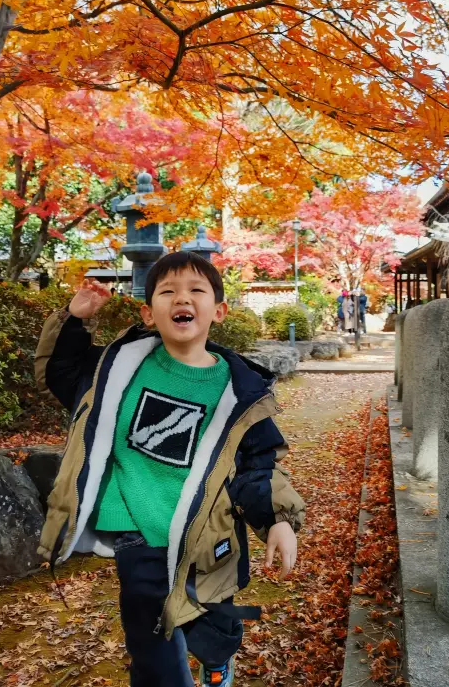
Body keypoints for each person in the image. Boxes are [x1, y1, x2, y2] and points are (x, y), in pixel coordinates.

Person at [35, 252, 305, 687]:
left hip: (206, 531)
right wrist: (73, 319)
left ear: (218, 311)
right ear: (149, 312)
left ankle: (217, 662)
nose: (183, 298)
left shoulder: (239, 393)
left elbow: (259, 466)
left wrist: (278, 519)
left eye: (196, 290)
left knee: (213, 621)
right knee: (154, 638)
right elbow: (59, 371)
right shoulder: (118, 370)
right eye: (168, 291)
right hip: (136, 530)